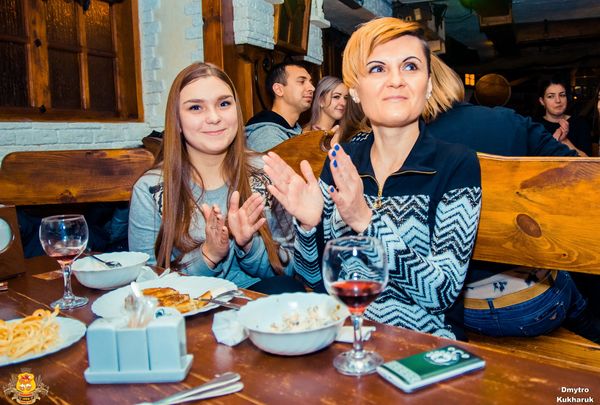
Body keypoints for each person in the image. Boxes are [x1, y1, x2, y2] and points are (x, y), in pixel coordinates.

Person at [263, 18, 482, 340]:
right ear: (355, 89)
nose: (395, 81)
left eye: (410, 67)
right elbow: (313, 279)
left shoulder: (455, 164)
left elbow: (442, 293)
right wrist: (308, 227)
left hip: (422, 343)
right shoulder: (342, 161)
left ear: (428, 85)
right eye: (378, 69)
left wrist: (366, 221)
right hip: (342, 336)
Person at [424, 55, 600, 342]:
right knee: (577, 300)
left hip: (454, 308)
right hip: (532, 302)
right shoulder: (509, 121)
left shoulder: (409, 146)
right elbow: (584, 179)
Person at [128, 62, 304, 294]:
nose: (214, 117)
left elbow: (291, 269)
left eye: (223, 104)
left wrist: (248, 245)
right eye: (196, 107)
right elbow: (147, 284)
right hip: (187, 306)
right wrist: (208, 255)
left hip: (257, 301)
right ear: (177, 121)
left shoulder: (266, 171)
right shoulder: (151, 189)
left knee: (287, 288)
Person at [245, 61, 315, 152]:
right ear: (279, 90)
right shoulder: (266, 135)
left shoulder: (294, 129)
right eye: (302, 82)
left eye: (310, 82)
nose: (312, 88)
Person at [535, 76, 592, 156]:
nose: (558, 100)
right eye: (551, 96)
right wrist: (553, 142)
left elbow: (588, 161)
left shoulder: (580, 124)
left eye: (562, 95)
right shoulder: (535, 126)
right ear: (542, 101)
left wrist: (565, 141)